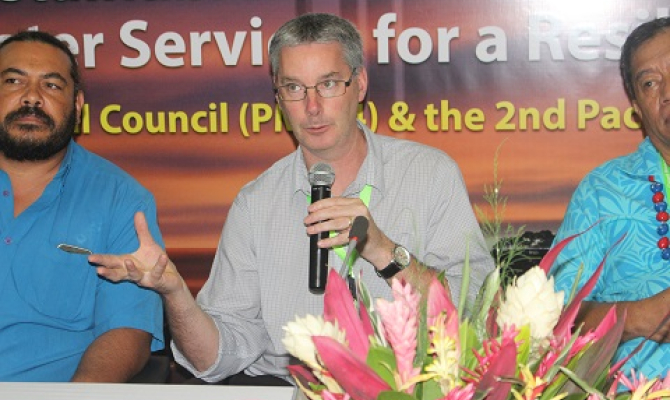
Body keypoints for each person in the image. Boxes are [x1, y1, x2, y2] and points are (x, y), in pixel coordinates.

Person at [90, 13, 492, 384]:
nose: (312, 107)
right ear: (278, 97)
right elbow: (213, 359)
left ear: (360, 84)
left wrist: (382, 249)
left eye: (328, 84)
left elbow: (478, 313)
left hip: (407, 387)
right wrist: (175, 293)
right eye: (294, 88)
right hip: (289, 388)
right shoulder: (256, 203)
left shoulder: (429, 174)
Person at [0, 30, 164, 381]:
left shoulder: (121, 199)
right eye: (14, 81)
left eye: (51, 85)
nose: (32, 97)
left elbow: (128, 331)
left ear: (77, 106)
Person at [550, 17, 670, 384]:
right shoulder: (602, 192)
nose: (667, 91)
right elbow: (553, 320)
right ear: (637, 107)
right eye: (650, 83)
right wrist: (636, 318)